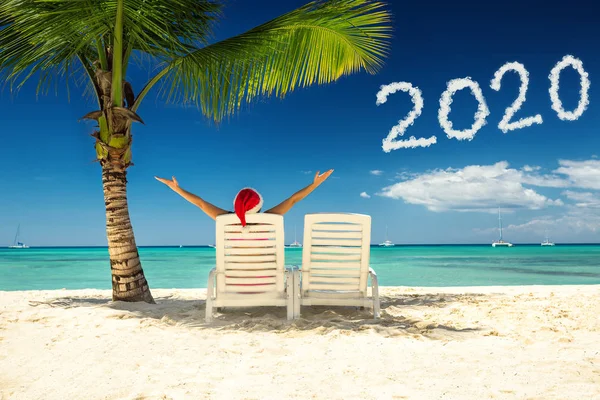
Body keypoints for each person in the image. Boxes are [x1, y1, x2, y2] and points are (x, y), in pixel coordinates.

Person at [155, 169, 334, 226]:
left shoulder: (227, 220)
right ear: (259, 205)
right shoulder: (268, 219)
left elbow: (200, 203)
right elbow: (293, 199)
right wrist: (315, 184)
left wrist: (176, 189)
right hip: (266, 279)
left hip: (235, 280)